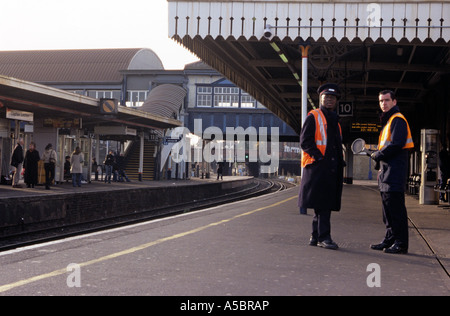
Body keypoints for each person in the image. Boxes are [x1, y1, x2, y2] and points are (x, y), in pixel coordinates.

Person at [298, 83, 344, 250]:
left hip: (330, 169)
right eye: (326, 97)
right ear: (321, 99)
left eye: (333, 97)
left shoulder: (335, 121)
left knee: (322, 204)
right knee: (323, 205)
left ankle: (315, 235)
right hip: (319, 168)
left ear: (336, 100)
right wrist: (319, 157)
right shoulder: (314, 116)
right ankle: (324, 237)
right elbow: (305, 141)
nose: (329, 99)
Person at [370, 90, 414, 254]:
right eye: (381, 101)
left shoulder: (398, 120)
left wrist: (378, 154)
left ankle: (401, 243)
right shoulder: (388, 122)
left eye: (387, 100)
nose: (384, 104)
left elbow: (396, 144)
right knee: (387, 210)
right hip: (387, 172)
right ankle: (390, 239)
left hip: (394, 172)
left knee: (396, 210)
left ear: (394, 102)